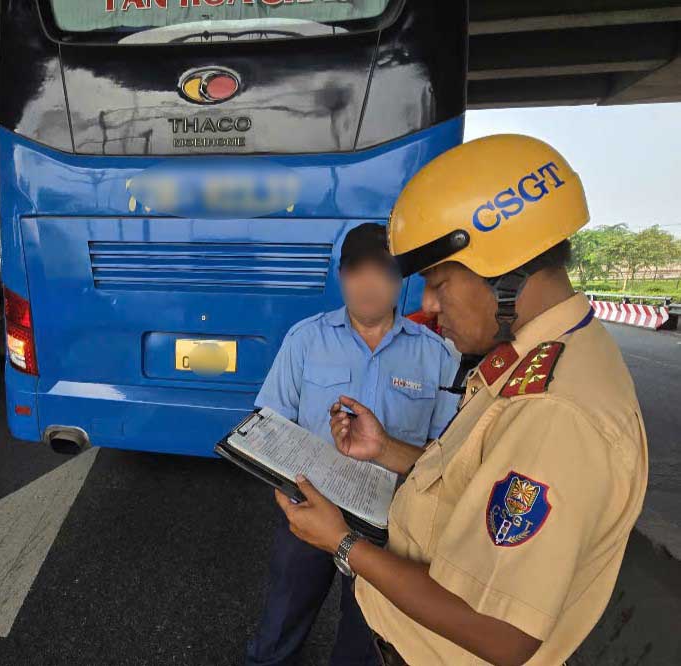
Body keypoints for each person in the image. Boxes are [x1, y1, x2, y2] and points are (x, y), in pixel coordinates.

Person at [274, 134, 648, 666]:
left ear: (504, 274)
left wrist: (341, 544)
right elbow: (476, 480)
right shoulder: (537, 359)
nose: (427, 304)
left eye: (440, 283)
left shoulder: (555, 411)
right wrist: (387, 450)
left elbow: (502, 634)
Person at [246, 223, 460, 666]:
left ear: (400, 279)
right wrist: (284, 500)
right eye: (355, 270)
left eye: (381, 270)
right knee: (279, 630)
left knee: (364, 643)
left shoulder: (438, 356)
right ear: (340, 276)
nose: (367, 283)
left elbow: (445, 459)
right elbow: (270, 424)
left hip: (388, 530)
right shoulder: (304, 339)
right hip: (307, 511)